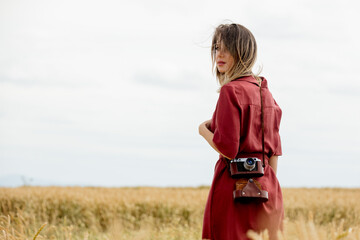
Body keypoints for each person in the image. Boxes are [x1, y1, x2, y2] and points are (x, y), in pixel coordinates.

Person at [198, 23, 284, 240]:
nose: (220, 54)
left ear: (243, 51)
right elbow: (273, 156)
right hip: (267, 189)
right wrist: (266, 186)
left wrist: (203, 130)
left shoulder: (230, 91)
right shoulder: (267, 94)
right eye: (217, 48)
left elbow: (228, 149)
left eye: (228, 48)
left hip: (233, 191)